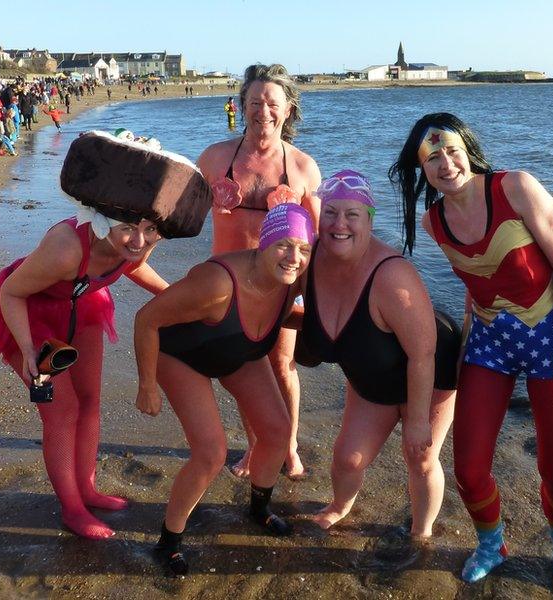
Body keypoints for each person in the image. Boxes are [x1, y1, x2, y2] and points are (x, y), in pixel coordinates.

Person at [389, 113, 553, 599]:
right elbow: (474, 284)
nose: (445, 163)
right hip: (488, 344)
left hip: (550, 340)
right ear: (422, 171)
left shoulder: (516, 188)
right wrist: (461, 356)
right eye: (431, 158)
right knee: (469, 467)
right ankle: (492, 544)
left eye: (451, 151)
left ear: (469, 150)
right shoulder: (433, 221)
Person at [133, 204, 314, 575]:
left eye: (304, 249)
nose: (294, 257)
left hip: (237, 350)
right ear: (263, 243)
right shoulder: (217, 282)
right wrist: (147, 385)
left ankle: (259, 510)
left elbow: (286, 313)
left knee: (278, 431)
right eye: (283, 244)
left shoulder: (293, 277)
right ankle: (169, 542)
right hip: (182, 355)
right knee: (211, 453)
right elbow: (147, 319)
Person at [0, 185, 171, 540]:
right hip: (29, 318)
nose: (139, 240)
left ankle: (86, 489)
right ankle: (72, 509)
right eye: (129, 227)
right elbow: (12, 291)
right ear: (103, 221)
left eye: (150, 229)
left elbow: (132, 266)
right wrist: (27, 352)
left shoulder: (139, 243)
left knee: (89, 401)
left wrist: (176, 296)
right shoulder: (66, 248)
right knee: (61, 410)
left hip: (83, 308)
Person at [296, 170, 459, 538]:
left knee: (419, 458)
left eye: (352, 215)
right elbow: (283, 305)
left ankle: (421, 532)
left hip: (431, 370)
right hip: (371, 367)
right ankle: (340, 506)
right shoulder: (308, 258)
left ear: (369, 220)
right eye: (331, 213)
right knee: (347, 459)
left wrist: (417, 420)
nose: (340, 224)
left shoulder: (391, 275)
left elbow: (424, 353)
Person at [198, 64, 321, 481]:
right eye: (254, 102)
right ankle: (256, 445)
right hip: (227, 285)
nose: (262, 111)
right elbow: (178, 211)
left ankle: (288, 447)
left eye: (272, 103)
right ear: (241, 106)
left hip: (282, 286)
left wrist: (327, 296)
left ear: (287, 110)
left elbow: (317, 240)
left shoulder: (303, 168)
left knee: (282, 366)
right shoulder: (215, 158)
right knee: (244, 367)